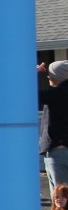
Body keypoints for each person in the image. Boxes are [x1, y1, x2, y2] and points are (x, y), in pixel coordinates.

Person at [38, 61, 68, 198]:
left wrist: (32, 73)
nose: (48, 76)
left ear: (60, 76)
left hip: (59, 151)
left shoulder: (59, 94)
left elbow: (29, 93)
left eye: (51, 74)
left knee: (60, 197)